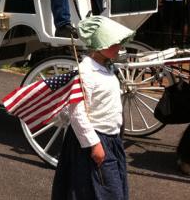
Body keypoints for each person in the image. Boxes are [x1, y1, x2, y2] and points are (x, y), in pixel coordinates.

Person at [52, 16, 132, 200]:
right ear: (99, 44)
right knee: (105, 191)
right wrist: (94, 144)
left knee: (111, 186)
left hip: (111, 139)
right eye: (114, 42)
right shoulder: (86, 72)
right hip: (94, 139)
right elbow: (76, 111)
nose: (119, 46)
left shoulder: (107, 68)